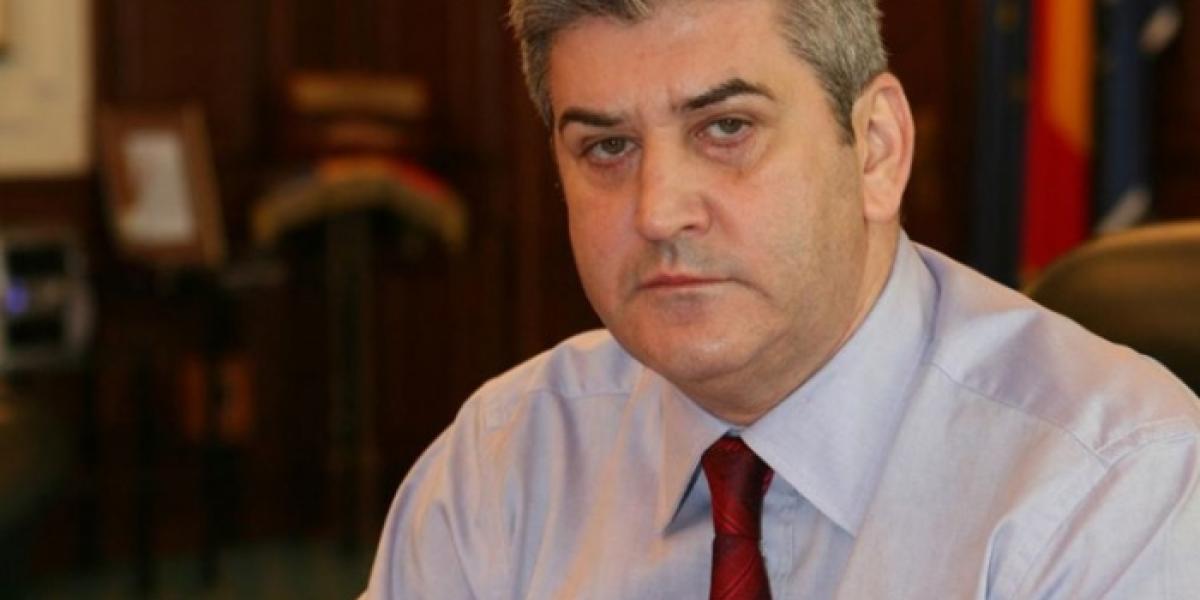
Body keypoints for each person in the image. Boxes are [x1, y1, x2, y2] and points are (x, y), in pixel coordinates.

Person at [362, 0, 1200, 597]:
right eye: (607, 146)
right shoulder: (505, 460)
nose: (658, 211)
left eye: (726, 128)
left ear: (875, 149)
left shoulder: (1113, 484)